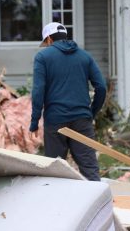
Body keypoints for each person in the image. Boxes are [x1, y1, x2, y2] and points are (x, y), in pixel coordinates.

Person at [29, 22, 107, 181]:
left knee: (55, 172)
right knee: (90, 170)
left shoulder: (43, 57)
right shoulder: (85, 56)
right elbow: (101, 87)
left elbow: (38, 91)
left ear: (49, 39)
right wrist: (90, 113)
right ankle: (99, 204)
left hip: (56, 122)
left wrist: (34, 122)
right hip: (82, 121)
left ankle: (57, 205)